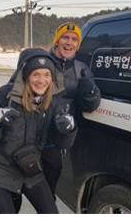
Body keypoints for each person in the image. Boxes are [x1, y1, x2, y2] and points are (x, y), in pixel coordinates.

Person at [0, 49, 78, 214]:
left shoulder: (54, 101)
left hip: (31, 168)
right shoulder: (6, 95)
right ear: (26, 76)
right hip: (1, 170)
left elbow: (60, 144)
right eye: (36, 74)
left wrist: (68, 130)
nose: (42, 80)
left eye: (46, 75)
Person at [43, 22, 101, 199]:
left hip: (57, 140)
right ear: (57, 41)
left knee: (48, 190)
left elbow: (90, 106)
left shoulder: (81, 69)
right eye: (65, 38)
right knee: (20, 185)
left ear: (78, 44)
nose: (69, 42)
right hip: (32, 134)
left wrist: (89, 91)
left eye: (74, 39)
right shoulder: (41, 61)